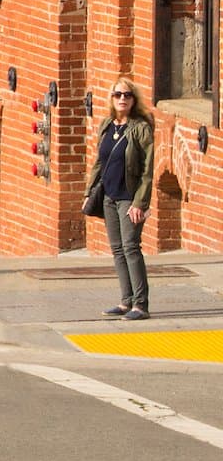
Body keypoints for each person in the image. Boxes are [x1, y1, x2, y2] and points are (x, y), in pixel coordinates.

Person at [83, 75, 156, 320]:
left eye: (127, 95)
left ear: (134, 100)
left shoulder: (141, 128)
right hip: (109, 196)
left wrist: (140, 203)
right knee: (117, 249)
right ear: (111, 99)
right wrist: (89, 191)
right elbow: (99, 163)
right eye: (118, 95)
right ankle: (125, 301)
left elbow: (147, 170)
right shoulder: (107, 124)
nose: (122, 99)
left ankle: (140, 305)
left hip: (129, 197)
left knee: (131, 247)